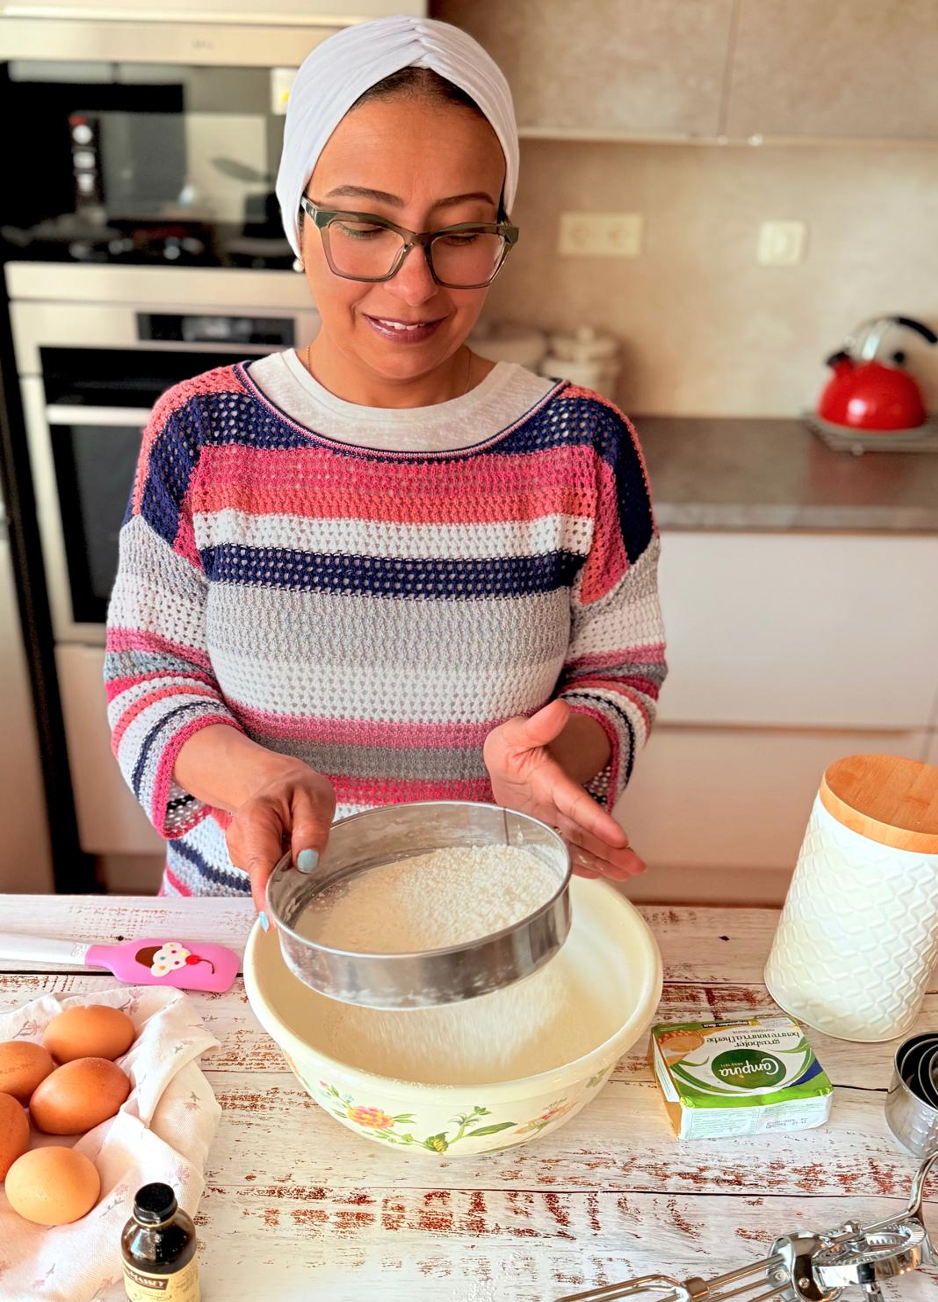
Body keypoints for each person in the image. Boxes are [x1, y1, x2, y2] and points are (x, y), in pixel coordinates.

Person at [105, 15, 667, 915]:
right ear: (299, 217)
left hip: (483, 914)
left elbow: (622, 674)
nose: (414, 285)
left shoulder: (583, 446)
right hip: (242, 918)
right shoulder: (201, 432)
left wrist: (548, 764)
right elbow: (147, 675)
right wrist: (256, 776)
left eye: (462, 232)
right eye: (365, 224)